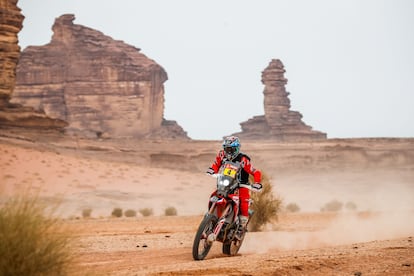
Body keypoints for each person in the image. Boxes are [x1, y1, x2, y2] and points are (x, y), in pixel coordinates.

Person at [206, 136, 262, 230]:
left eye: (231, 149)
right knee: (215, 195)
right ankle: (211, 217)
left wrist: (257, 183)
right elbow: (216, 164)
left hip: (241, 184)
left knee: (243, 202)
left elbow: (255, 172)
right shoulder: (221, 155)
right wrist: (212, 170)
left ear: (236, 149)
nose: (229, 152)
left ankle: (241, 226)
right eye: (227, 149)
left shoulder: (243, 159)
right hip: (226, 182)